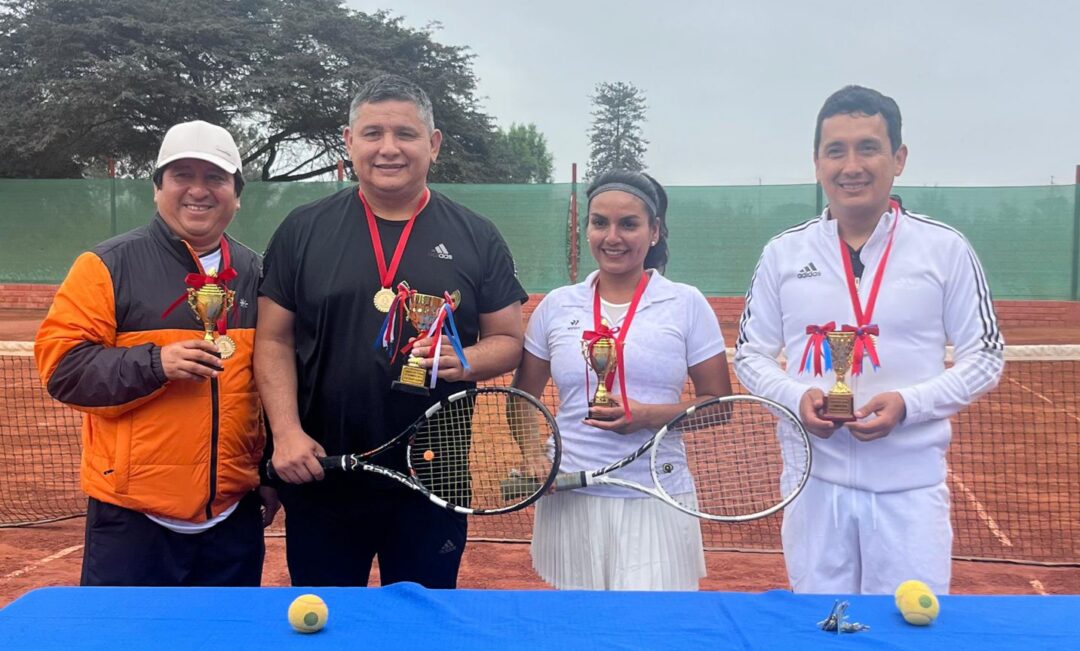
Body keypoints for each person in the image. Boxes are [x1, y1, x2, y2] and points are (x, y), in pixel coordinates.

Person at [256, 74, 528, 588]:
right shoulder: (303, 228)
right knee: (329, 635)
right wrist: (287, 433)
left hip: (433, 475)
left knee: (422, 634)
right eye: (372, 133)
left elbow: (508, 342)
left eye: (404, 134)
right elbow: (273, 339)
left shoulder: (476, 234)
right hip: (323, 471)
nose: (388, 148)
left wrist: (465, 359)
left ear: (434, 144)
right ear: (348, 141)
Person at [734, 85, 1005, 595]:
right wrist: (797, 397)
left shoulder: (944, 249)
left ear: (898, 158)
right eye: (835, 151)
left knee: (906, 645)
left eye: (868, 148)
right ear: (817, 162)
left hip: (910, 492)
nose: (851, 165)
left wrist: (909, 404)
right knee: (823, 639)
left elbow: (985, 357)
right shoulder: (782, 254)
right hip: (813, 487)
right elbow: (750, 354)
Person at [35, 120, 278, 586]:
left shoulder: (257, 272)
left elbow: (268, 386)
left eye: (215, 178)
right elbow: (63, 370)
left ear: (237, 192)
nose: (198, 190)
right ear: (157, 188)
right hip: (132, 522)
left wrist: (267, 473)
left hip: (231, 521)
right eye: (182, 175)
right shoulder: (105, 266)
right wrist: (156, 363)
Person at [512, 170, 733, 590]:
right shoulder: (558, 306)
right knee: (581, 633)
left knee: (651, 634)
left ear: (654, 232)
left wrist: (648, 415)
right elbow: (523, 396)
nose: (612, 236)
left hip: (656, 494)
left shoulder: (685, 303)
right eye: (600, 223)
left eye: (628, 224)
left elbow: (717, 405)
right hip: (571, 495)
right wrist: (532, 455)